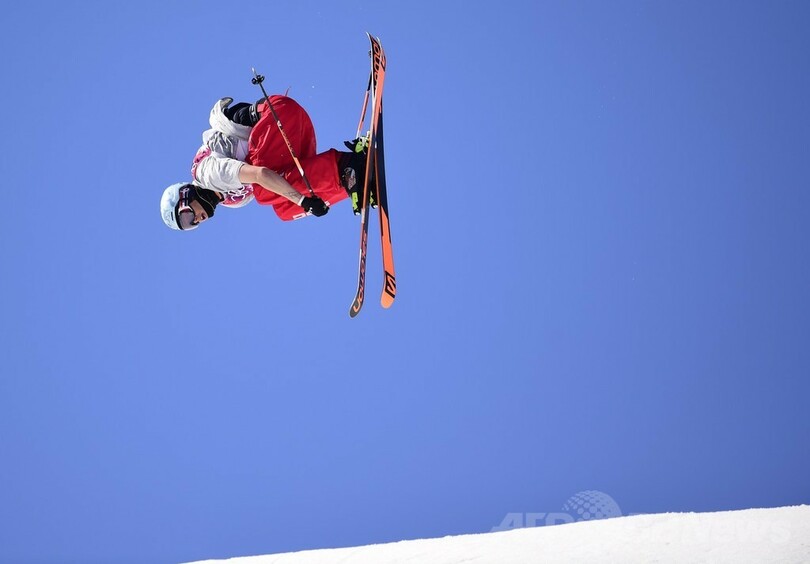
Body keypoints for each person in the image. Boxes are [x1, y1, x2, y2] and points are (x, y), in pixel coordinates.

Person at [160, 95, 368, 231]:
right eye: (190, 226)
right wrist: (304, 203)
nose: (196, 221)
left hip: (278, 117)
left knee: (264, 191)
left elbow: (260, 175)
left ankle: (347, 168)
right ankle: (352, 183)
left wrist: (303, 202)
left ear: (185, 195)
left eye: (187, 217)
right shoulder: (232, 200)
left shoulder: (208, 174)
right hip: (290, 134)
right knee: (284, 211)